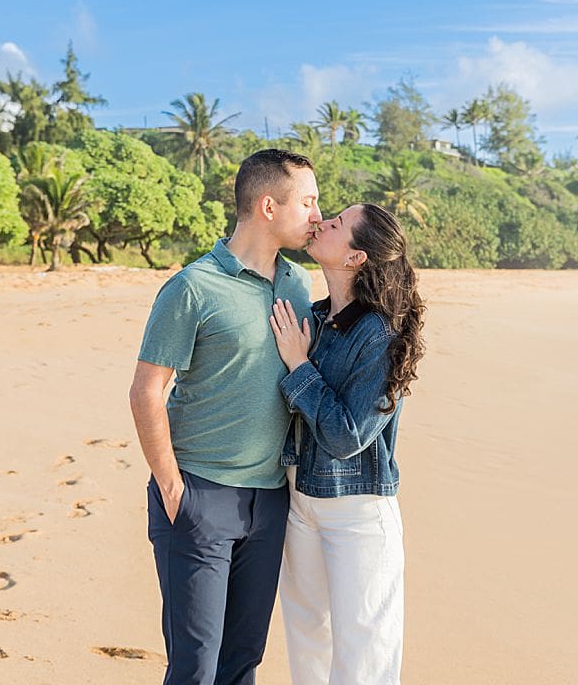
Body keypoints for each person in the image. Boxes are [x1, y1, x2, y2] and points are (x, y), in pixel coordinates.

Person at [129, 148, 322, 685]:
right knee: (195, 666)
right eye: (307, 201)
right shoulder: (193, 287)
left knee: (242, 662)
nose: (317, 214)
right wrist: (172, 488)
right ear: (267, 205)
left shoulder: (297, 286)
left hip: (269, 500)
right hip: (199, 496)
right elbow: (147, 390)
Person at [268, 203, 426, 685]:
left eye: (336, 223)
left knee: (365, 657)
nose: (322, 221)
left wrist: (299, 368)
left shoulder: (379, 334)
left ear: (357, 257)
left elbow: (346, 437)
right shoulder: (312, 318)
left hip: (357, 512)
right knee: (307, 640)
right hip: (300, 499)